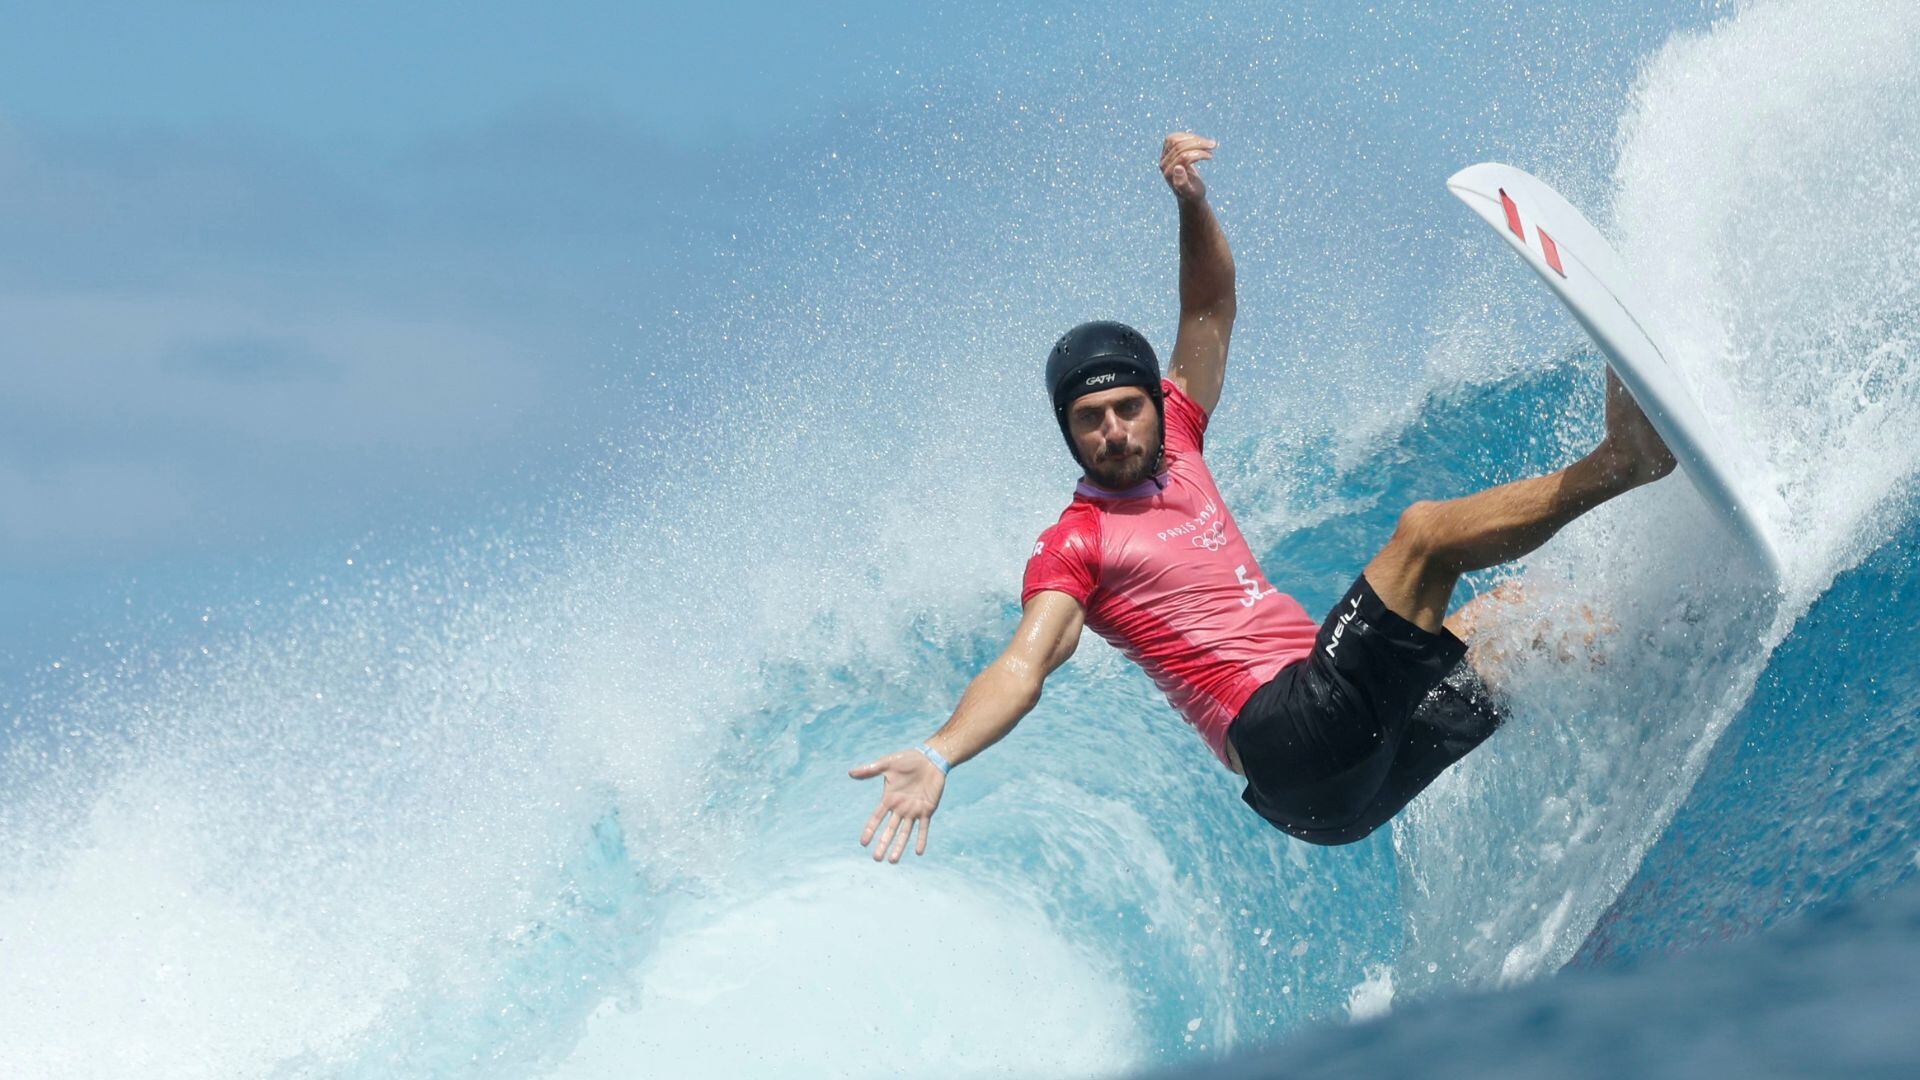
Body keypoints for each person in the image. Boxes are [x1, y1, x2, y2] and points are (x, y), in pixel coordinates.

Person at [850, 132, 1675, 860]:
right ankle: (1622, 462)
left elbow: (1208, 304)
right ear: (1068, 434)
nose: (1112, 430)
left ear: (1153, 403)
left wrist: (1191, 202)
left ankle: (1681, 641)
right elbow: (1024, 665)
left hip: (1332, 804)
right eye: (1089, 419)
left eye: (1126, 408)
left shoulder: (1181, 431)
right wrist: (941, 752)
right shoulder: (1076, 544)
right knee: (1424, 536)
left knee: (1529, 625)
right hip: (1287, 740)